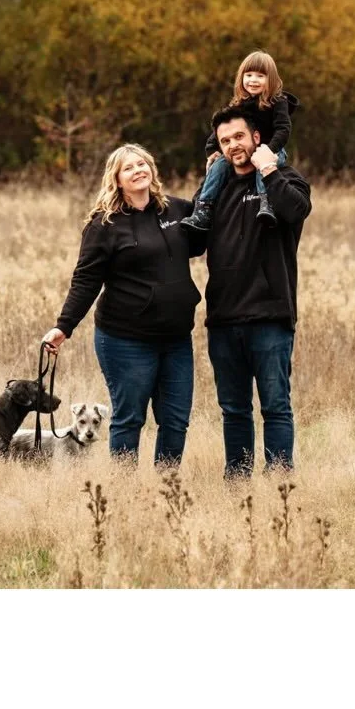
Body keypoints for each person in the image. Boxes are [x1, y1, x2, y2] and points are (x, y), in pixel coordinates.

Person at [42, 144, 206, 466]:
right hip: (125, 339)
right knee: (130, 418)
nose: (138, 170)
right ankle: (123, 490)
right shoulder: (104, 225)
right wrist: (64, 326)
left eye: (142, 163)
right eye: (128, 168)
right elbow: (86, 280)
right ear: (116, 179)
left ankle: (168, 488)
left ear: (152, 169)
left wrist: (216, 173)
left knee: (175, 420)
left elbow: (201, 240)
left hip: (175, 339)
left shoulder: (176, 210)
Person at [198, 104, 312, 477]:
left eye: (239, 137)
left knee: (275, 406)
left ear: (257, 138)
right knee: (233, 409)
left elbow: (296, 211)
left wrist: (269, 169)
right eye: (225, 140)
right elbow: (192, 240)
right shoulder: (216, 189)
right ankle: (238, 483)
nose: (233, 145)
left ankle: (280, 485)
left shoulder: (285, 179)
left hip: (270, 316)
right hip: (223, 318)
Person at [181, 49, 299, 230]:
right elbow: (221, 131)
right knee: (219, 165)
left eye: (260, 76)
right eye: (248, 75)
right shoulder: (239, 104)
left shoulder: (278, 102)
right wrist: (212, 150)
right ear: (241, 78)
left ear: (271, 80)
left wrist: (269, 150)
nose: (253, 80)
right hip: (247, 151)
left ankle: (266, 203)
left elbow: (283, 129)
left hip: (272, 150)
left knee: (262, 164)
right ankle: (203, 208)